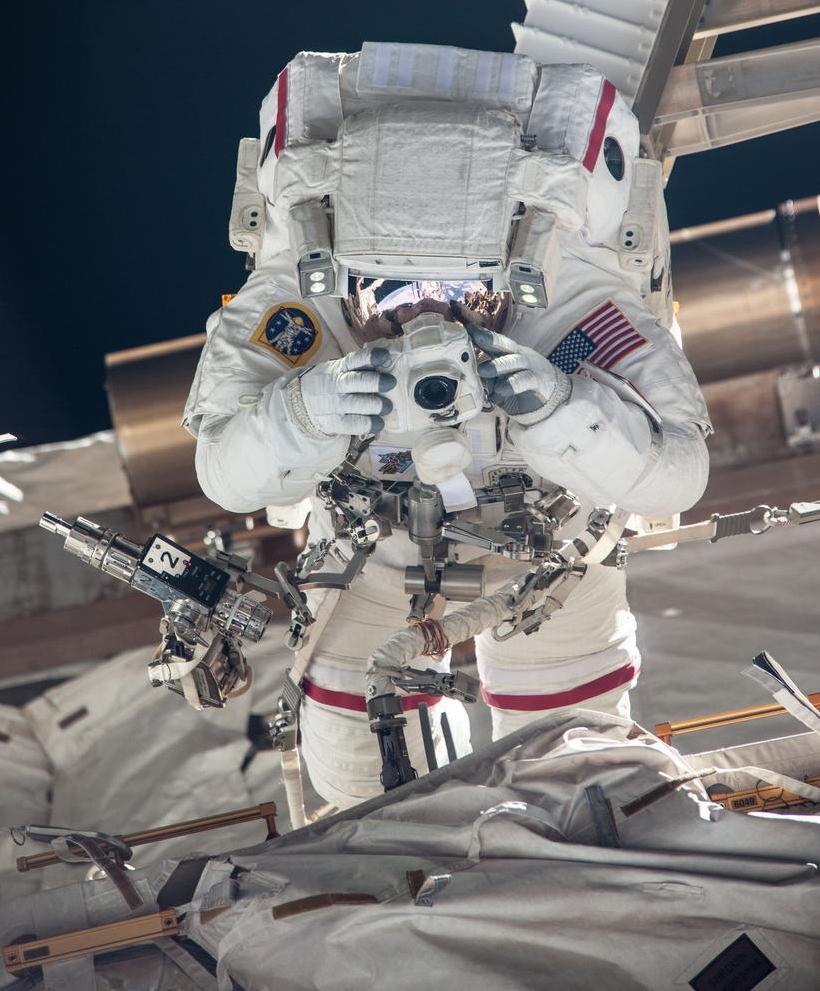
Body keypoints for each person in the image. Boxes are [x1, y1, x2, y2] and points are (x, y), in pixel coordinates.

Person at [184, 42, 710, 807]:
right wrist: (305, 413)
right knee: (363, 791)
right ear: (344, 266)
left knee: (583, 778)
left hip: (548, 557)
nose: (425, 309)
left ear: (508, 261)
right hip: (373, 552)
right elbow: (223, 473)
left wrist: (566, 410)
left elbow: (679, 471)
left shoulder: (573, 306)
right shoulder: (297, 306)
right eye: (394, 289)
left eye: (453, 284)